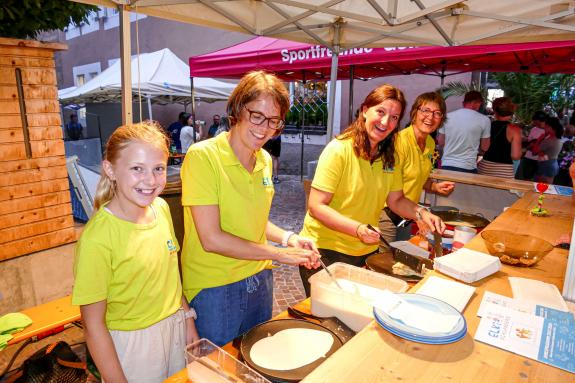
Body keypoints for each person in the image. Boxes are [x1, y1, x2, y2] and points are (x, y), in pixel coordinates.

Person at [181, 71, 320, 346]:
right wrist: (281, 255)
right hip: (216, 286)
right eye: (256, 115)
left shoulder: (265, 160)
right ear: (237, 110)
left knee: (253, 359)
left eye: (273, 121)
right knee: (219, 370)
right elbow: (211, 239)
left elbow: (255, 220)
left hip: (260, 278)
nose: (264, 128)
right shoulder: (203, 157)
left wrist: (289, 238)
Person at [72, 121, 198, 383]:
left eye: (158, 169)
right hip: (134, 345)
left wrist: (187, 317)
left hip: (174, 327)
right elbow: (93, 325)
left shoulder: (161, 209)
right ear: (110, 169)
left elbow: (171, 274)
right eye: (137, 169)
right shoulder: (97, 238)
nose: (150, 181)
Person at [298, 84, 445, 296]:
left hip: (365, 251)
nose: (386, 122)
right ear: (365, 110)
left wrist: (421, 212)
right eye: (381, 112)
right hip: (326, 252)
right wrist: (357, 229)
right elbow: (316, 206)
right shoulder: (339, 149)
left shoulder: (388, 156)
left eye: (394, 117)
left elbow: (396, 201)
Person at [380, 92, 454, 248]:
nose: (430, 117)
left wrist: (434, 186)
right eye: (425, 110)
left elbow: (418, 177)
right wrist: (421, 214)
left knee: (401, 263)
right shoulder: (398, 142)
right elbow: (389, 188)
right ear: (414, 113)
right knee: (384, 263)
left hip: (408, 215)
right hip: (386, 215)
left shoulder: (430, 143)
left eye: (437, 113)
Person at [437, 91, 491, 173]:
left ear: (464, 103)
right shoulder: (484, 120)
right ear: (476, 103)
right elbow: (485, 147)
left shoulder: (447, 117)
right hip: (468, 166)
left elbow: (441, 142)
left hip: (447, 164)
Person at [477, 97, 522, 178]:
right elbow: (515, 156)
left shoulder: (487, 125)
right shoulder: (515, 130)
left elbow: (482, 149)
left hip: (485, 168)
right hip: (504, 170)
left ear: (495, 111)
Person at [515, 111, 548, 180]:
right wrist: (524, 139)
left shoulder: (547, 131)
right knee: (520, 177)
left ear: (539, 120)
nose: (533, 122)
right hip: (528, 157)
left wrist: (527, 147)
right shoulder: (534, 129)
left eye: (534, 121)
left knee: (532, 179)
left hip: (538, 159)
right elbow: (530, 140)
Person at [533, 117, 563, 184]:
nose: (544, 128)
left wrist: (539, 139)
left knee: (540, 189)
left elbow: (534, 151)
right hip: (553, 164)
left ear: (550, 127)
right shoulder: (559, 139)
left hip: (546, 166)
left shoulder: (549, 140)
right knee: (547, 188)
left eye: (546, 126)